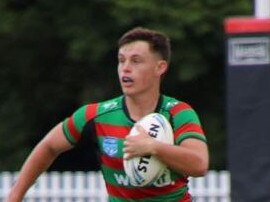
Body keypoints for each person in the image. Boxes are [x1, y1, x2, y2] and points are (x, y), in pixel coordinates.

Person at [6, 27, 209, 202]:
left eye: (136, 61)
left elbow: (199, 164)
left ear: (160, 67)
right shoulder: (96, 115)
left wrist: (153, 147)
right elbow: (49, 146)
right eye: (121, 61)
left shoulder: (177, 112)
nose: (125, 68)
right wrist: (14, 196)